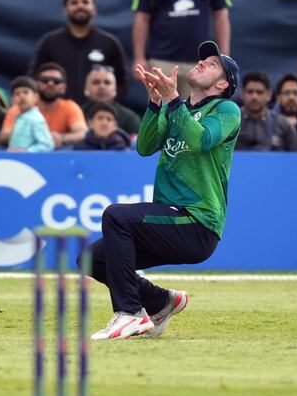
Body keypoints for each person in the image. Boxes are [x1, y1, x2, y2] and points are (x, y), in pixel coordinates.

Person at [84, 41, 241, 341]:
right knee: (92, 258)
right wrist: (156, 103)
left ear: (222, 83)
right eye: (203, 59)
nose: (203, 62)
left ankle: (130, 313)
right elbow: (145, 146)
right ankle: (160, 302)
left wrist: (172, 101)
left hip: (197, 222)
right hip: (171, 218)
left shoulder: (226, 109)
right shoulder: (176, 108)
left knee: (116, 217)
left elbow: (200, 140)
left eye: (213, 63)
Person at [29, 0, 128, 105]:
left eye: (85, 2)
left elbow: (122, 82)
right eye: (74, 2)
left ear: (94, 8)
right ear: (65, 9)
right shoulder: (49, 42)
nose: (80, 6)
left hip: (98, 117)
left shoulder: (109, 43)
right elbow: (34, 78)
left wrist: (108, 108)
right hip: (59, 114)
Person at [0, 63, 87, 148]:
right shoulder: (20, 108)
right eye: (45, 80)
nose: (50, 84)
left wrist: (62, 138)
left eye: (56, 81)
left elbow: (83, 133)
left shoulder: (70, 107)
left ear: (63, 88)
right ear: (36, 84)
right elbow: (2, 137)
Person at [236, 70, 297, 151]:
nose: (254, 97)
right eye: (250, 92)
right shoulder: (230, 123)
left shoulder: (284, 126)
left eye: (259, 92)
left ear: (269, 95)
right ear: (242, 94)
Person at [80, 65, 141, 136]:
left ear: (115, 89)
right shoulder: (77, 115)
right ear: (86, 88)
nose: (101, 87)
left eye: (107, 82)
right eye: (96, 82)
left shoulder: (130, 119)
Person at [7, 76, 54, 152]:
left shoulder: (36, 119)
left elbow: (47, 145)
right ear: (13, 100)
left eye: (26, 92)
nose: (21, 96)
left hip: (29, 162)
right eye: (17, 94)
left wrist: (27, 151)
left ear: (36, 97)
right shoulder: (18, 118)